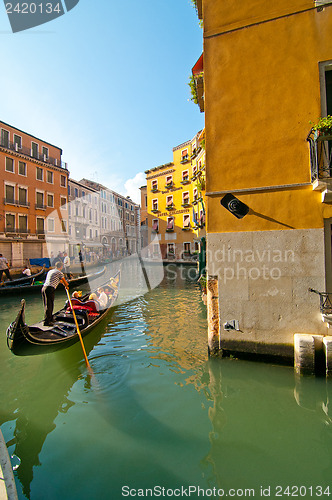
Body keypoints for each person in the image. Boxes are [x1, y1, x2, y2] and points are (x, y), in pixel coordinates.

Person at [41, 261, 69, 326]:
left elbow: (59, 280)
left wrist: (64, 284)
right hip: (50, 289)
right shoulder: (59, 273)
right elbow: (65, 282)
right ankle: (47, 322)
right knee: (49, 305)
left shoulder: (51, 271)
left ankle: (50, 319)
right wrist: (66, 286)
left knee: (47, 305)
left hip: (44, 288)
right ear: (61, 267)